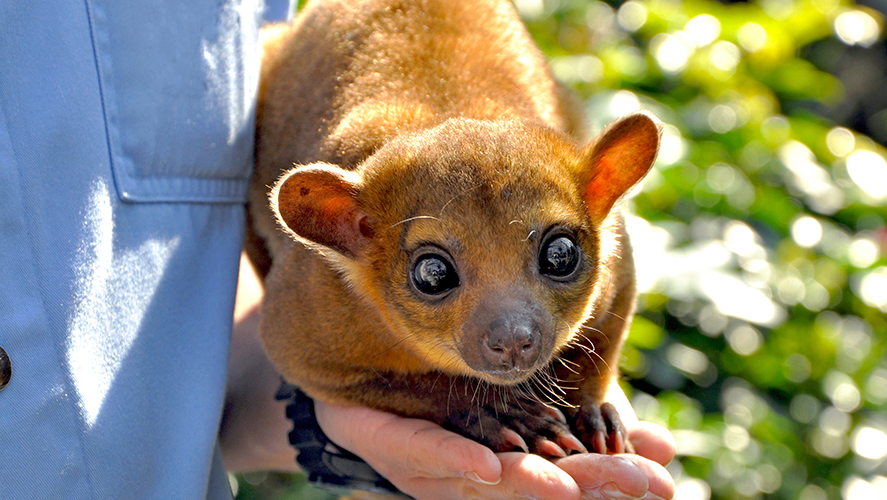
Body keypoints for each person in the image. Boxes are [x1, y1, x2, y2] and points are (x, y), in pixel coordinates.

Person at [0, 1, 674, 499]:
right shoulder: (346, 257)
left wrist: (583, 392)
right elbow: (295, 342)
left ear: (602, 189)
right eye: (436, 274)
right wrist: (450, 405)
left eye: (557, 259)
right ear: (345, 230)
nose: (513, 334)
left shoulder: (578, 215)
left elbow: (238, 362)